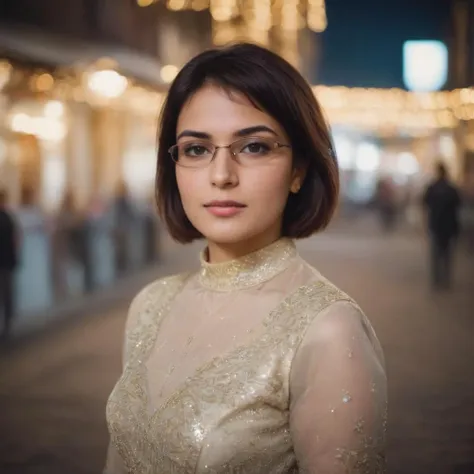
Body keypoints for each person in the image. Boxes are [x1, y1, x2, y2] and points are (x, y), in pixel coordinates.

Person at [105, 43, 387, 473]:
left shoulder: (328, 330)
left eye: (253, 147)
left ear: (298, 170)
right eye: (197, 150)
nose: (221, 176)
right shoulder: (150, 305)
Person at [422, 162, 461, 290]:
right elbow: (457, 206)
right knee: (447, 255)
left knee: (436, 254)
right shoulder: (451, 188)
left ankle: (437, 280)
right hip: (448, 226)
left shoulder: (433, 187)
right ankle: (446, 280)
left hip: (436, 225)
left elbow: (425, 203)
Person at [0, 189, 19, 339]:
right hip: (7, 261)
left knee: (6, 293)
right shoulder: (8, 217)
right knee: (7, 294)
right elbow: (15, 239)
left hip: (5, 261)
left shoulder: (8, 217)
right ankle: (7, 323)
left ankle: (7, 324)